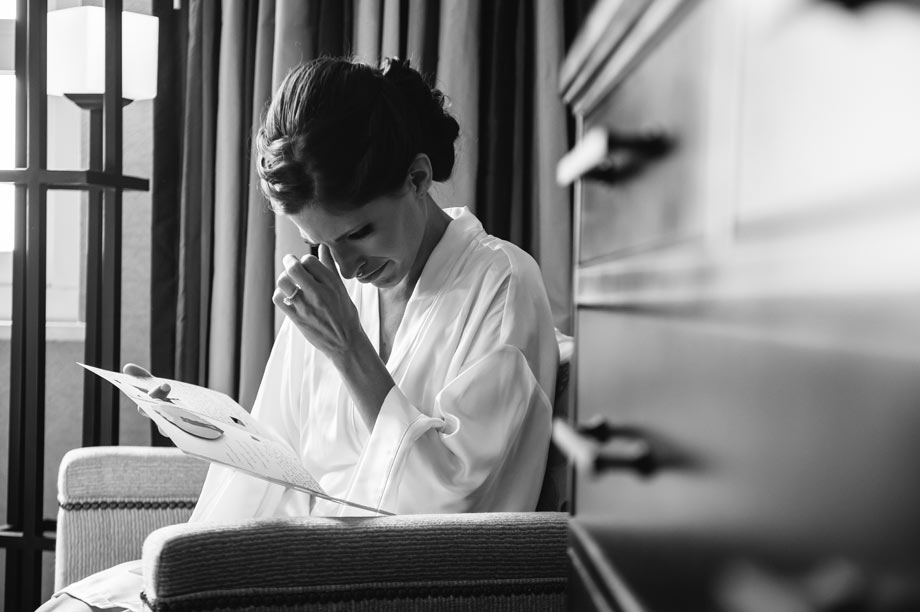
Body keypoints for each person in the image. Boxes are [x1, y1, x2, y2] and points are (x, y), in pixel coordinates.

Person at [39, 56, 557, 612]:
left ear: (418, 177)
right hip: (295, 567)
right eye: (323, 243)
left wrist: (349, 348)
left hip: (380, 589)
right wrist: (196, 423)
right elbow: (277, 460)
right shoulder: (336, 289)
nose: (347, 266)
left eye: (360, 232)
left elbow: (458, 507)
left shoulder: (501, 283)